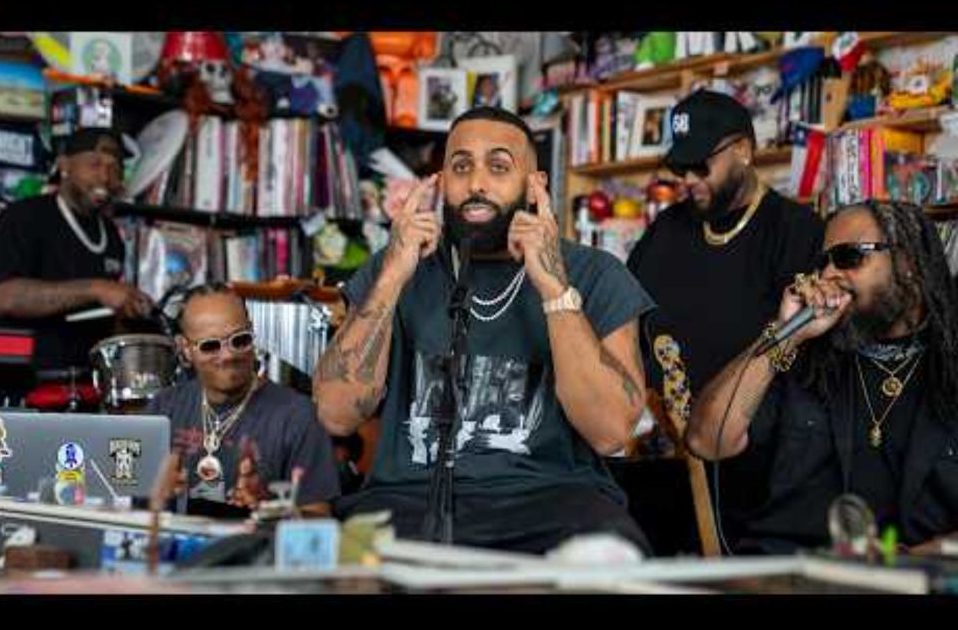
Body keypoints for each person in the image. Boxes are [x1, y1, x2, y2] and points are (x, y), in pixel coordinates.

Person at [314, 105, 655, 555]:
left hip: (553, 503)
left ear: (536, 185)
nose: (476, 183)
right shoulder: (395, 268)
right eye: (460, 167)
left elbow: (612, 431)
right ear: (440, 182)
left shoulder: (594, 273)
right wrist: (393, 276)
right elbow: (336, 414)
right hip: (407, 501)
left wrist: (553, 285)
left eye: (498, 166)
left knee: (610, 559)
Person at [686, 201, 958, 555]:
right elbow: (708, 440)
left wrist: (912, 560)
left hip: (915, 576)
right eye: (824, 261)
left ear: (908, 264)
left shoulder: (948, 366)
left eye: (848, 257)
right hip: (789, 571)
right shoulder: (803, 356)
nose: (828, 273)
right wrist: (784, 334)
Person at [626, 89, 825, 545]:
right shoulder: (666, 229)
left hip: (757, 472)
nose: (689, 180)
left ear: (743, 151)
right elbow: (628, 318)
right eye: (681, 169)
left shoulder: (796, 232)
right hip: (661, 462)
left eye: (701, 166)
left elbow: (803, 355)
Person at [145, 284, 339, 514]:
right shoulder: (164, 407)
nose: (228, 355)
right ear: (184, 349)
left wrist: (270, 510)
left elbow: (319, 521)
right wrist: (153, 494)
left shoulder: (297, 416)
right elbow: (124, 505)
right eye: (210, 346)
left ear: (252, 332)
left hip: (255, 547)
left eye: (239, 340)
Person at [0, 127, 154, 374]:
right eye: (94, 164)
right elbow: (6, 298)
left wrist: (131, 310)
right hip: (17, 381)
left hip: (80, 381)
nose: (105, 177)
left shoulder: (111, 235)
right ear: (64, 166)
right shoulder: (23, 216)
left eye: (114, 168)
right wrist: (98, 289)